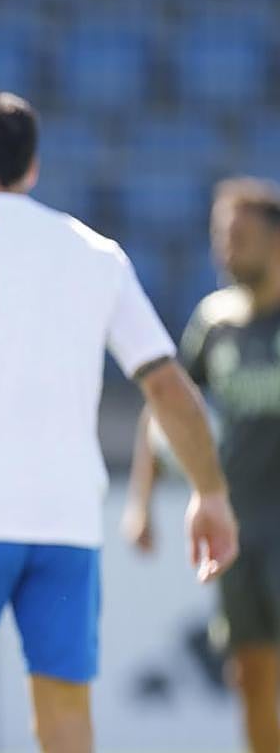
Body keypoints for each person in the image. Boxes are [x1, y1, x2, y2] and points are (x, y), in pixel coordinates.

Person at [0, 91, 239, 753]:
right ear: (33, 168)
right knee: (65, 724)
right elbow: (170, 388)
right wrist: (211, 493)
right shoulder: (97, 254)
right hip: (66, 523)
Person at [124, 178, 280, 753]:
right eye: (219, 235)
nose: (225, 249)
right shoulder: (215, 321)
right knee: (251, 675)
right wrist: (142, 500)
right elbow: (165, 406)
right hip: (240, 528)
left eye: (239, 236)